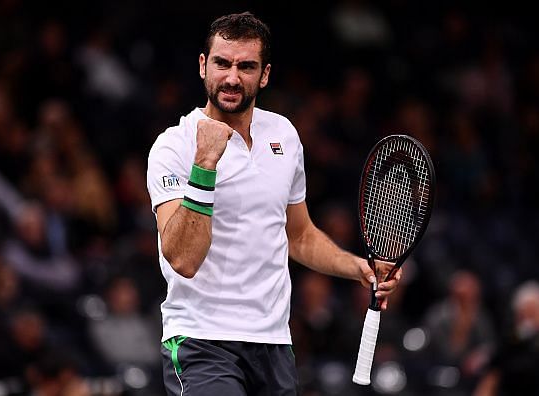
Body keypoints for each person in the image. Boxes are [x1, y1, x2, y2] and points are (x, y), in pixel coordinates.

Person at [146, 12, 401, 395]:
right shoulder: (174, 146)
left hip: (274, 343)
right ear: (203, 66)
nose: (232, 77)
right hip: (201, 340)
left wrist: (360, 269)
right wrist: (204, 166)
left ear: (264, 75)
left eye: (246, 66)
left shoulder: (284, 134)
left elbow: (298, 235)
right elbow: (182, 259)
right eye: (222, 63)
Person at [473, 281, 539, 396]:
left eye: (533, 313)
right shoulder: (511, 341)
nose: (528, 321)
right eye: (523, 315)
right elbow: (492, 373)